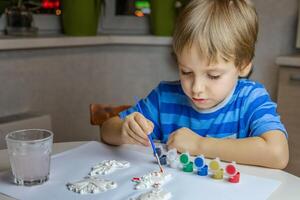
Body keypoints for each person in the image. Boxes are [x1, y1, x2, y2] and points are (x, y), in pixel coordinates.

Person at [101, 0, 289, 169]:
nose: (196, 88)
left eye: (213, 75)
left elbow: (278, 154)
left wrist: (199, 145)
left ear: (243, 65)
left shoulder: (250, 98)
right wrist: (123, 130)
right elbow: (107, 130)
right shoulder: (164, 97)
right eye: (186, 72)